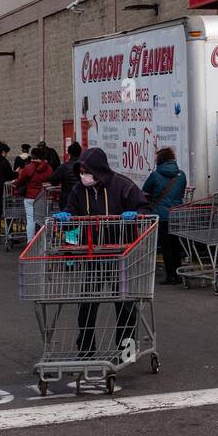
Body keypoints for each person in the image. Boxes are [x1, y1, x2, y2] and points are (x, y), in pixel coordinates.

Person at [64, 148, 146, 354]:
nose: (84, 176)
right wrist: (65, 218)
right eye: (81, 172)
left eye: (87, 171)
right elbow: (71, 212)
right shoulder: (79, 190)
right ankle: (85, 348)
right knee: (88, 302)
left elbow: (145, 208)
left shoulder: (123, 186)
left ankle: (126, 347)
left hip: (121, 253)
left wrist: (135, 214)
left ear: (98, 170)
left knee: (125, 302)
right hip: (93, 253)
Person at [142, 148, 188, 285]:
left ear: (159, 159)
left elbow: (146, 189)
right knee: (176, 244)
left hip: (161, 215)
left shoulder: (155, 175)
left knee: (166, 246)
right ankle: (178, 274)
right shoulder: (182, 174)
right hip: (177, 214)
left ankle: (170, 275)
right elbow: (181, 190)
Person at [13, 148, 53, 238]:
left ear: (32, 156)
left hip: (30, 197)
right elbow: (51, 180)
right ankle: (43, 242)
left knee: (31, 219)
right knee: (43, 220)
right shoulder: (49, 168)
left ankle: (30, 242)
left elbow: (20, 181)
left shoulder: (28, 167)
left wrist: (14, 182)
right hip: (43, 197)